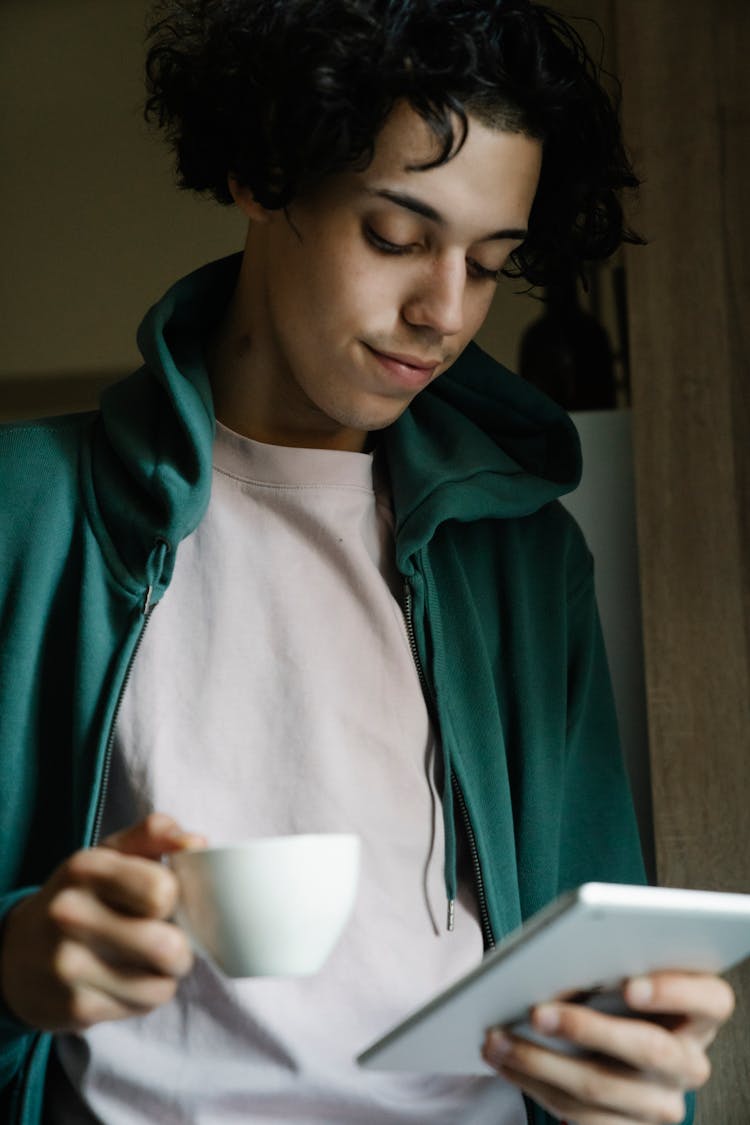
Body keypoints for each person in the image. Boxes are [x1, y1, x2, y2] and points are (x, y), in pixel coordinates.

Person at [0, 1, 735, 1122]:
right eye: (397, 236)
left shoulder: (527, 558)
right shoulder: (29, 512)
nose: (443, 314)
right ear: (264, 175)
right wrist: (13, 965)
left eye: (492, 265)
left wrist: (630, 1087)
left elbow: (601, 987)